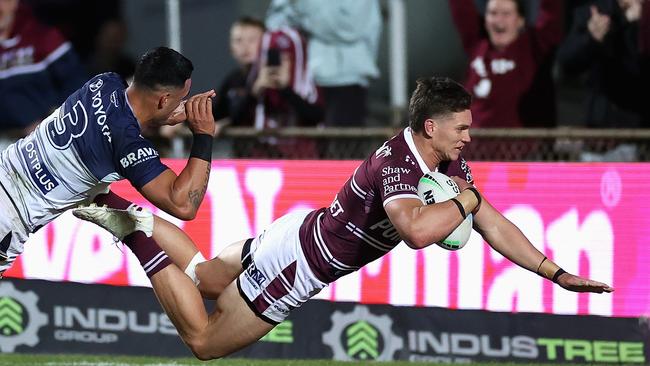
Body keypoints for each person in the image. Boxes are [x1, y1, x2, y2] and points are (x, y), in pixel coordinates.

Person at [73, 76, 613, 360]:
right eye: (461, 129)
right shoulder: (398, 165)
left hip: (296, 231)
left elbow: (493, 222)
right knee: (205, 343)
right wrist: (465, 202)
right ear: (429, 126)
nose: (469, 138)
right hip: (301, 266)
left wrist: (555, 274)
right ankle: (128, 228)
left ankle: (126, 213)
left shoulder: (443, 160)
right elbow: (417, 232)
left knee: (204, 278)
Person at [0, 46, 217, 278]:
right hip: (8, 218)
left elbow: (120, 117)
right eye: (180, 99)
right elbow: (183, 204)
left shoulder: (104, 82)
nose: (181, 103)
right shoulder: (126, 145)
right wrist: (203, 133)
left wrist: (161, 114)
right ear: (164, 99)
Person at [266, 0, 382, 127]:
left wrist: (302, 9)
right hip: (306, 79)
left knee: (341, 144)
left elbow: (346, 28)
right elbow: (275, 22)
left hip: (346, 80)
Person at [448, 0, 562, 128]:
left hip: (519, 144)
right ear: (485, 20)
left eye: (506, 14)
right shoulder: (477, 46)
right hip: (475, 144)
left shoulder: (533, 47)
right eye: (493, 13)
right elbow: (461, 8)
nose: (499, 20)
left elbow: (551, 13)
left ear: (520, 20)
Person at [0, 0, 88, 135]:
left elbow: (78, 86)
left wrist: (50, 121)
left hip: (46, 138)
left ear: (15, 3)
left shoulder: (43, 37)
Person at [557, 0, 647, 128]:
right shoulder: (595, 11)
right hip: (603, 128)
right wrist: (592, 38)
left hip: (642, 127)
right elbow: (566, 61)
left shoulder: (646, 17)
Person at [212, 16, 264, 131]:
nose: (245, 46)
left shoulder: (272, 79)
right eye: (238, 40)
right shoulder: (233, 79)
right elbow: (214, 110)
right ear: (231, 47)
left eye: (252, 40)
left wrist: (229, 123)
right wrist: (182, 121)